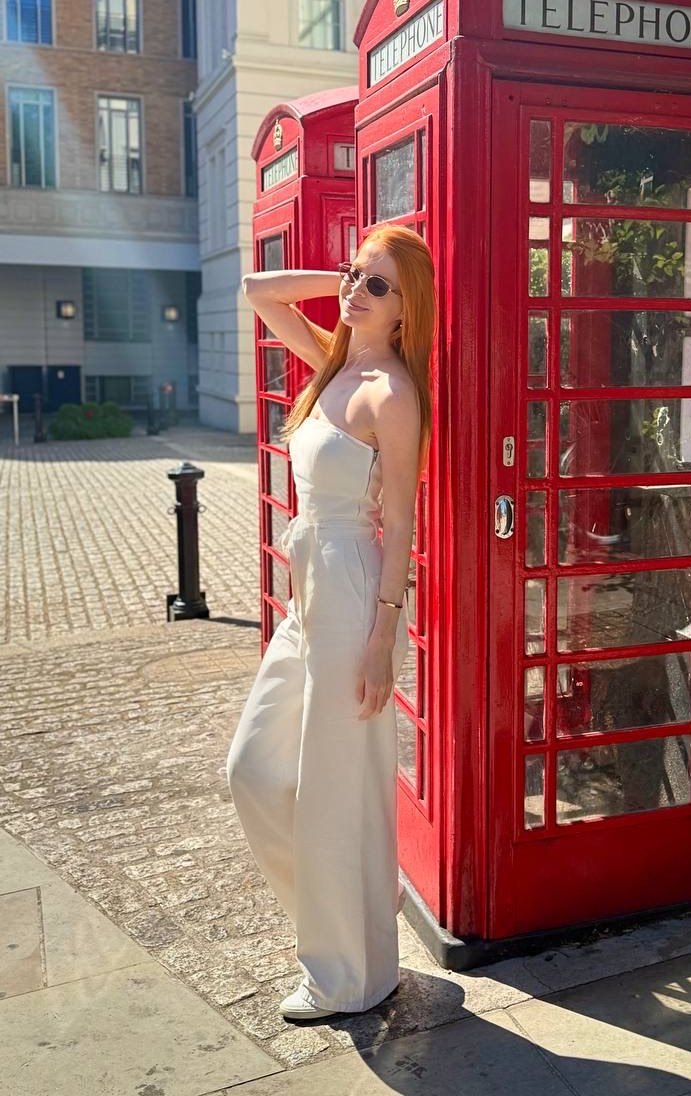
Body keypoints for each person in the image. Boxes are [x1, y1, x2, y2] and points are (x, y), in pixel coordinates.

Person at [226, 224, 436, 1020]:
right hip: (307, 595)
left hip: (352, 593)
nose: (355, 290)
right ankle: (354, 914)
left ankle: (347, 976)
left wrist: (384, 637)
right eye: (354, 275)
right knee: (252, 771)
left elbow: (403, 523)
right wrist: (347, 280)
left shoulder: (391, 394)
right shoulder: (333, 362)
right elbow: (256, 290)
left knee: (334, 791)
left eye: (379, 286)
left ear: (408, 308)